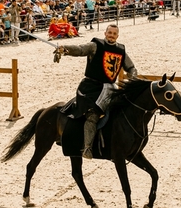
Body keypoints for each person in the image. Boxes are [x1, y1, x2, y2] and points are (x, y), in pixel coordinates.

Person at [57, 24, 137, 159]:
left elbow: (131, 67)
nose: (111, 36)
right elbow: (80, 49)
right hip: (91, 88)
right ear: (105, 33)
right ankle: (87, 148)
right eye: (109, 33)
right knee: (93, 115)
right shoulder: (96, 45)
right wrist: (65, 49)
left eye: (114, 34)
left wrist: (133, 78)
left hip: (110, 88)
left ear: (117, 36)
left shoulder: (121, 50)